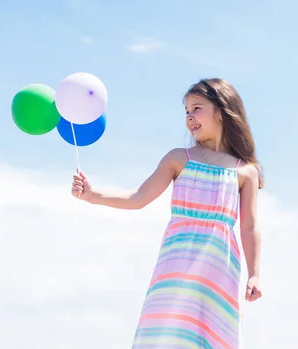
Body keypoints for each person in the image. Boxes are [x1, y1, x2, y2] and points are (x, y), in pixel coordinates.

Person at [71, 78, 263, 349]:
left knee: (211, 338)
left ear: (221, 111)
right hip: (176, 266)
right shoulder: (179, 158)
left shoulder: (245, 171)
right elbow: (138, 197)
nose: (189, 117)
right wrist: (92, 195)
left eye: (196, 108)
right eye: (186, 111)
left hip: (218, 271)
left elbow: (250, 227)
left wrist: (254, 273)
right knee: (165, 333)